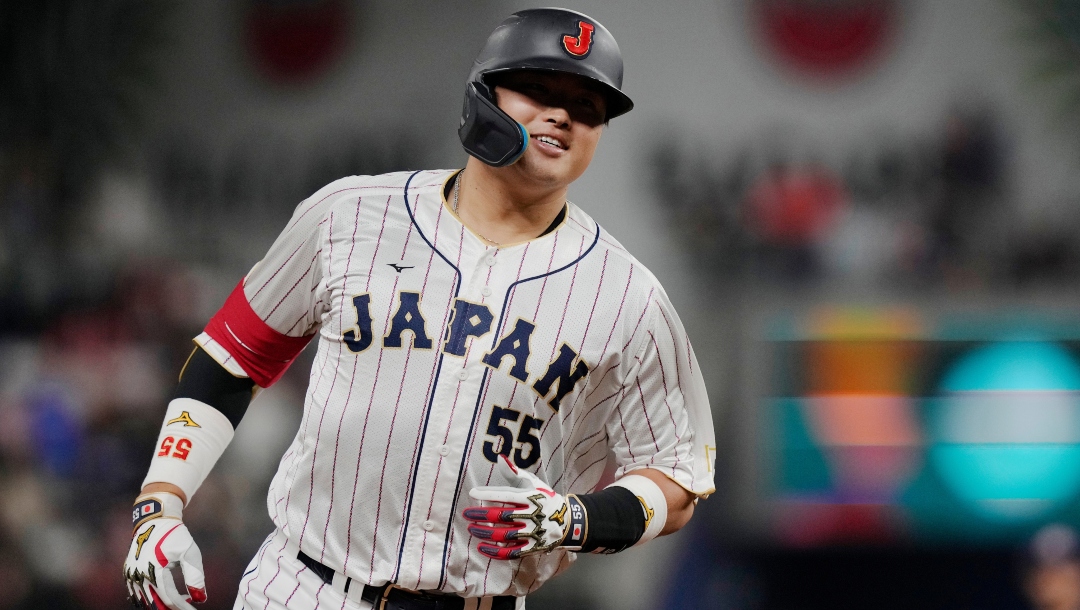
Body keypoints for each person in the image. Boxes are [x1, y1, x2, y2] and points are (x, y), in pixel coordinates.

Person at [122, 7, 715, 610]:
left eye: (588, 105)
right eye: (537, 88)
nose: (562, 114)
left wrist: (577, 518)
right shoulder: (347, 215)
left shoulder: (629, 296)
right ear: (483, 95)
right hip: (305, 586)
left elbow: (676, 479)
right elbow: (230, 358)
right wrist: (158, 505)